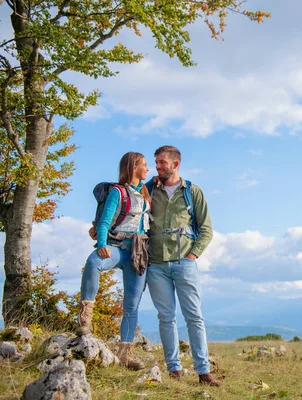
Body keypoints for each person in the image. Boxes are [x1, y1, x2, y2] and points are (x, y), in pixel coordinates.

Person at [145, 145, 220, 386]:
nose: (157, 166)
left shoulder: (192, 192)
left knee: (194, 317)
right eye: (156, 162)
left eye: (162, 162)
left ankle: (203, 372)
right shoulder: (148, 189)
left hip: (184, 261)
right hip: (155, 263)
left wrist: (193, 256)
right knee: (166, 318)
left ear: (175, 164)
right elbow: (129, 210)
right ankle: (174, 370)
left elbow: (206, 229)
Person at [77, 152, 150, 371]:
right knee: (93, 263)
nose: (148, 169)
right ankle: (84, 319)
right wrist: (101, 245)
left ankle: (126, 354)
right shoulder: (117, 192)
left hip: (138, 252)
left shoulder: (146, 193)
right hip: (117, 247)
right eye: (144, 165)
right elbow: (105, 221)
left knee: (132, 304)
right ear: (133, 167)